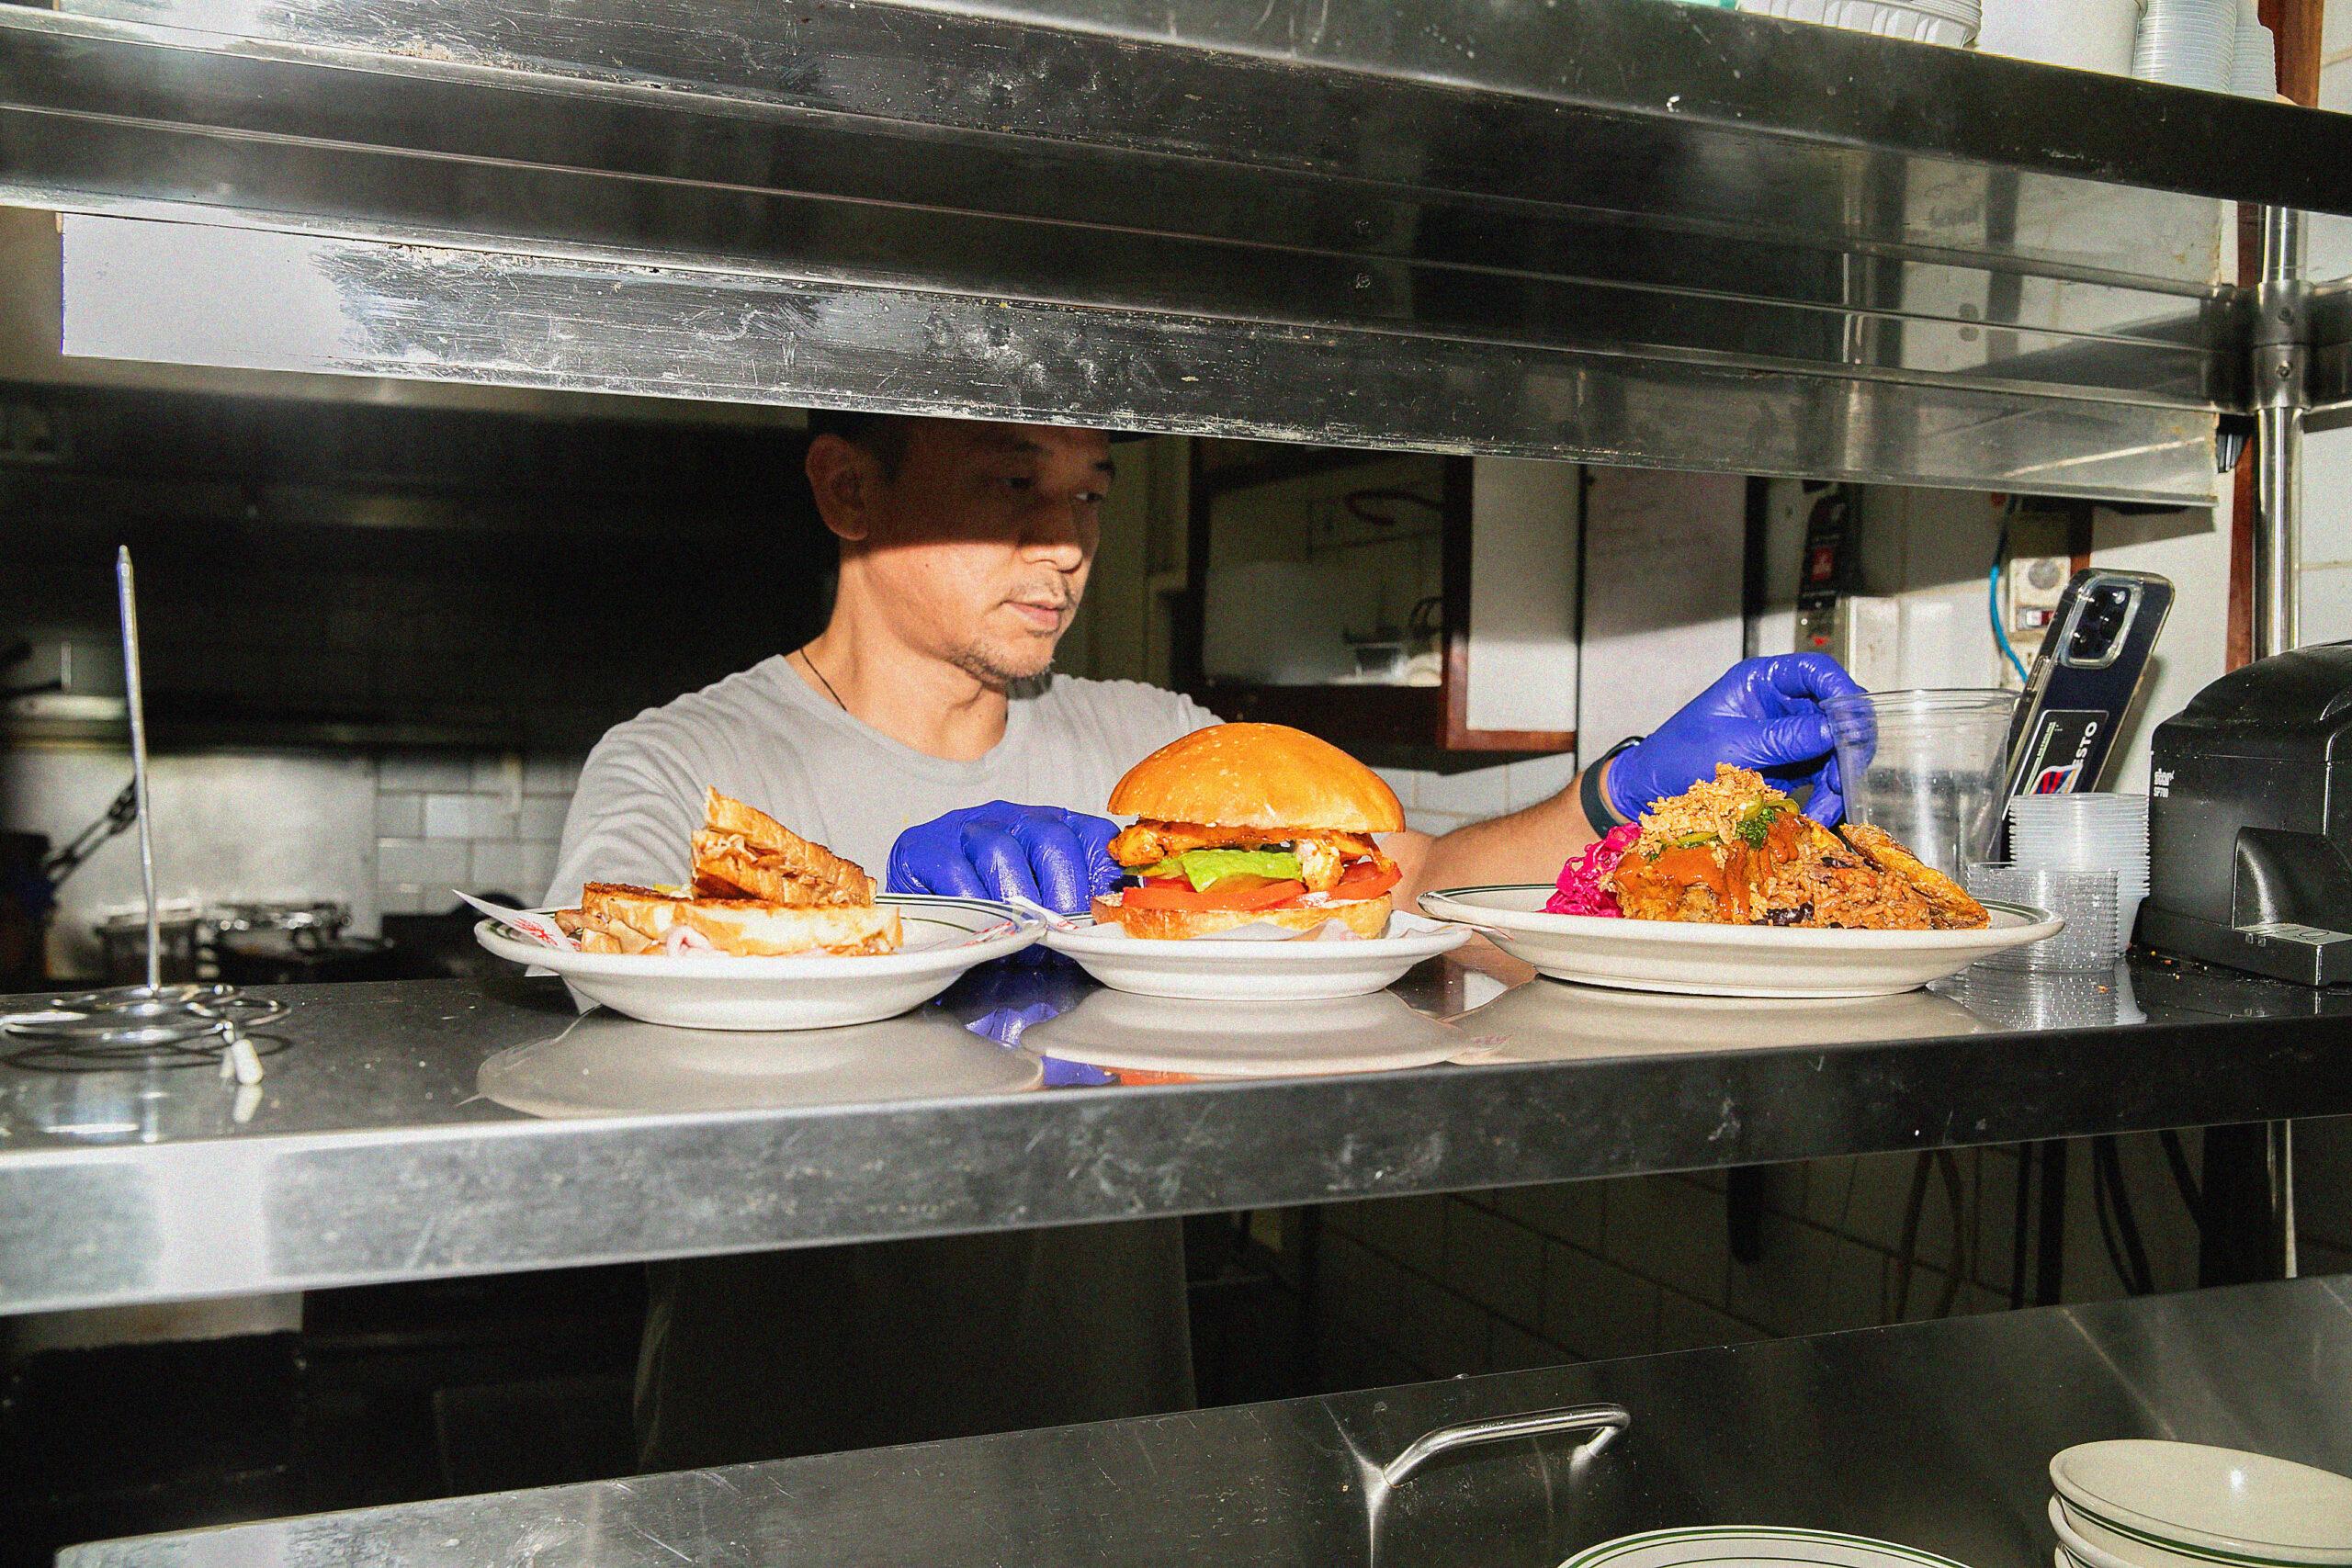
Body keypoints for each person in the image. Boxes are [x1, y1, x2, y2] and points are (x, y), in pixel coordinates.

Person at [548, 412, 1860, 1471]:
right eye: (1012, 483)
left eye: (1093, 495)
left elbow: (1412, 887)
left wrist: (1629, 796)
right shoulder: (686, 762)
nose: (1065, 545)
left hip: (1102, 1459)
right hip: (788, 1475)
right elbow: (609, 1046)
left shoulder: (1154, 748)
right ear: (847, 491)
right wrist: (893, 924)